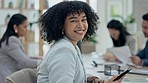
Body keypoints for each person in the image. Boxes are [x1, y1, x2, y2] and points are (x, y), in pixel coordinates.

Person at [37, 1, 124, 83]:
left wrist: (94, 80)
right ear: (61, 25)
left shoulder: (71, 45)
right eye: (73, 20)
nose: (81, 25)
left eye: (83, 20)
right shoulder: (64, 50)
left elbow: (76, 75)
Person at [0, 13, 41, 83]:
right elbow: (25, 62)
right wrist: (45, 62)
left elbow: (23, 58)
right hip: (8, 78)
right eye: (24, 27)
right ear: (15, 27)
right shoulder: (11, 41)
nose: (27, 30)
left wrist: (37, 58)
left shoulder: (10, 39)